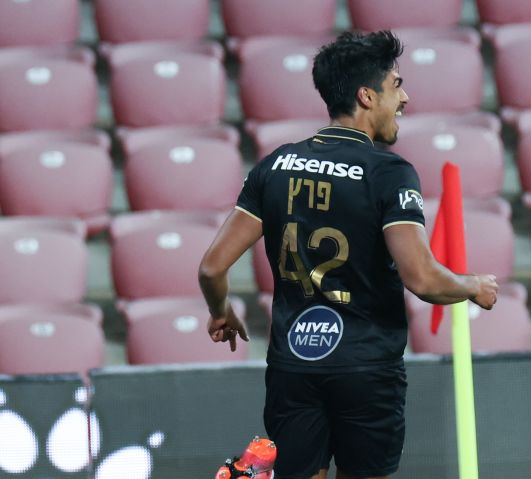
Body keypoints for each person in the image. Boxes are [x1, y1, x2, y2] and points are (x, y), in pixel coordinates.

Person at [199, 30, 498, 479]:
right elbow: (422, 279)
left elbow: (211, 267)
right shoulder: (389, 173)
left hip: (293, 366)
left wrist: (220, 311)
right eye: (396, 86)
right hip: (366, 367)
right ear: (366, 96)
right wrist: (473, 286)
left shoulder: (276, 165)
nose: (405, 98)